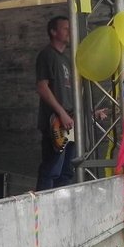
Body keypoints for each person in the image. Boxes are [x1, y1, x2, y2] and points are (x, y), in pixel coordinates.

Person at [36, 15, 75, 190]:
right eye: (65, 28)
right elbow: (43, 87)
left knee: (66, 170)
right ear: (53, 31)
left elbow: (67, 94)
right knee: (52, 168)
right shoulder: (47, 55)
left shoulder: (65, 59)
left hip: (67, 120)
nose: (69, 32)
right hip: (55, 122)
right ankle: (42, 212)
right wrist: (62, 113)